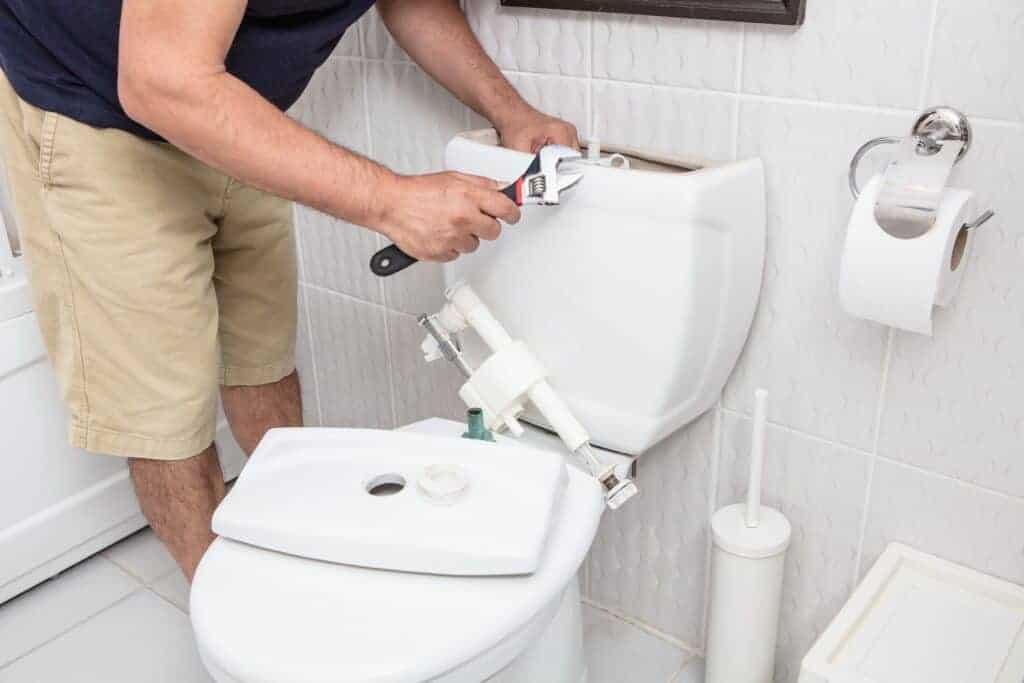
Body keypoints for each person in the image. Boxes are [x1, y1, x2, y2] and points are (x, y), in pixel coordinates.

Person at [0, 0, 579, 581]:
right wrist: (391, 200)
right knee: (165, 416)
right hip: (97, 109)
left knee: (262, 359)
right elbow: (162, 81)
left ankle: (296, 566)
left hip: (231, 105)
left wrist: (511, 111)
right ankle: (235, 630)